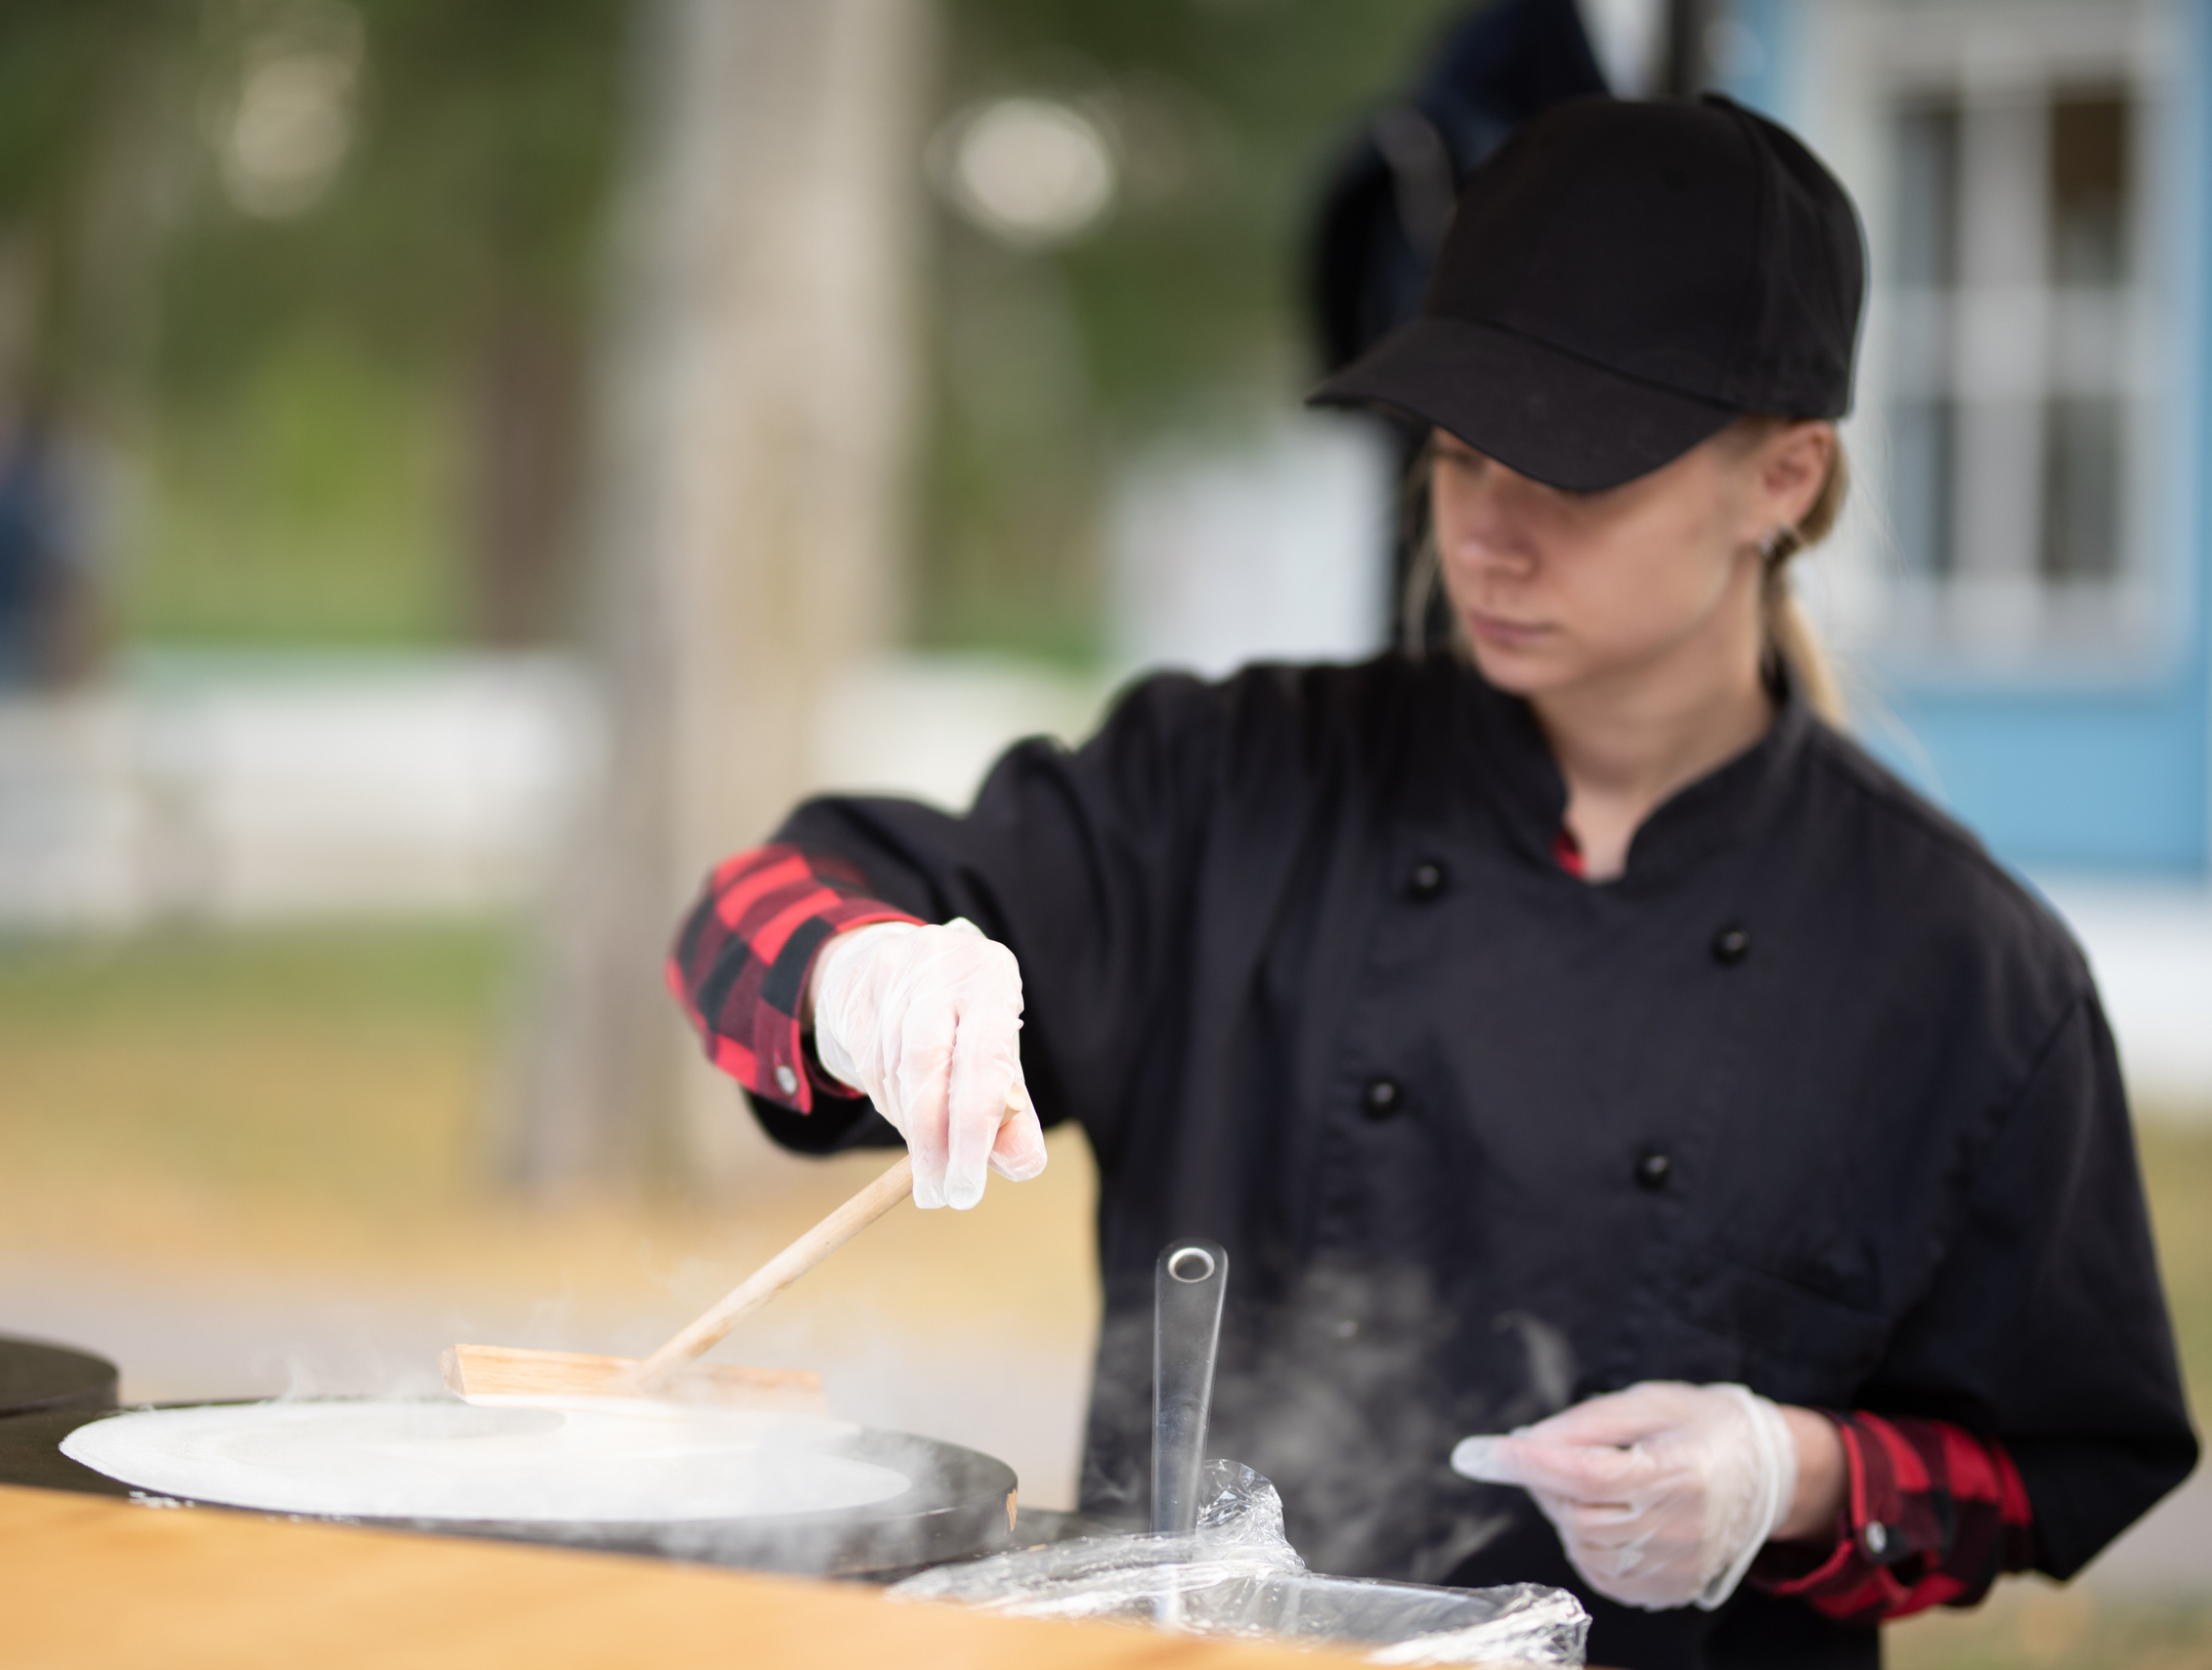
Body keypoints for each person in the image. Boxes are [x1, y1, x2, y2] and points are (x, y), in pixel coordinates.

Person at [665, 97, 2195, 1669]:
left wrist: (1797, 1474)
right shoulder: (1232, 783)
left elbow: (2059, 1465)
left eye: (1574, 478)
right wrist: (862, 979)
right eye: (1461, 456)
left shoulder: (1956, 960)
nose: (1491, 536)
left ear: (1784, 480)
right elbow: (748, 922)